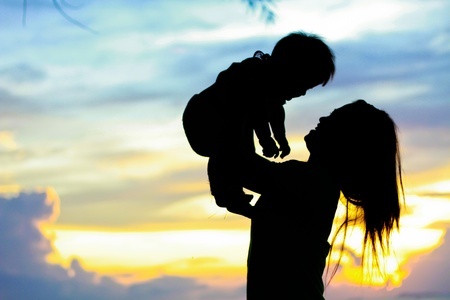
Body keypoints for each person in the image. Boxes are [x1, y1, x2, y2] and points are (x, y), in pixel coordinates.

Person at [241, 99, 405, 299]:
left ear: (344, 141)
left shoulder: (310, 182)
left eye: (333, 119)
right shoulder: (317, 185)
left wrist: (246, 107)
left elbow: (239, 166)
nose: (322, 118)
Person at [182, 31, 335, 218]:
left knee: (235, 151)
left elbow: (275, 113)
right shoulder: (254, 76)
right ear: (288, 70)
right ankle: (229, 195)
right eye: (302, 85)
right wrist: (267, 140)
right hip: (204, 117)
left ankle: (232, 195)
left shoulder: (270, 89)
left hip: (227, 119)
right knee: (230, 150)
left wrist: (281, 139)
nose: (302, 93)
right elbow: (257, 111)